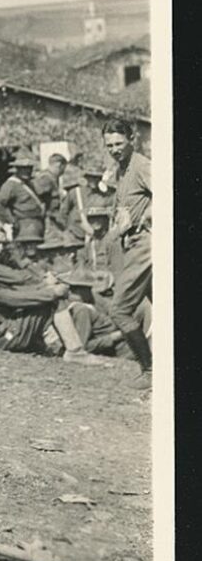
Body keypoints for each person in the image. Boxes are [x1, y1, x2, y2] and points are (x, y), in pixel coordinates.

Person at [0, 228, 102, 361]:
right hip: (5, 338)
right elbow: (15, 298)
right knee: (54, 301)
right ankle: (75, 351)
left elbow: (13, 293)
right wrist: (52, 292)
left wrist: (44, 289)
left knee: (41, 302)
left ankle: (55, 347)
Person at [101, 117, 153, 389]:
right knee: (162, 305)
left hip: (146, 244)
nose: (114, 149)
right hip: (131, 245)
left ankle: (150, 370)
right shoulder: (121, 168)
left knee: (120, 310)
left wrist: (147, 213)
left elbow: (169, 193)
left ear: (131, 140)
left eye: (119, 143)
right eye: (109, 144)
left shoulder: (142, 165)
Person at [0, 149, 47, 244]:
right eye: (23, 167)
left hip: (37, 224)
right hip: (24, 227)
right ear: (17, 168)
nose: (27, 170)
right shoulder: (11, 184)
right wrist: (12, 220)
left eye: (29, 167)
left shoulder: (30, 184)